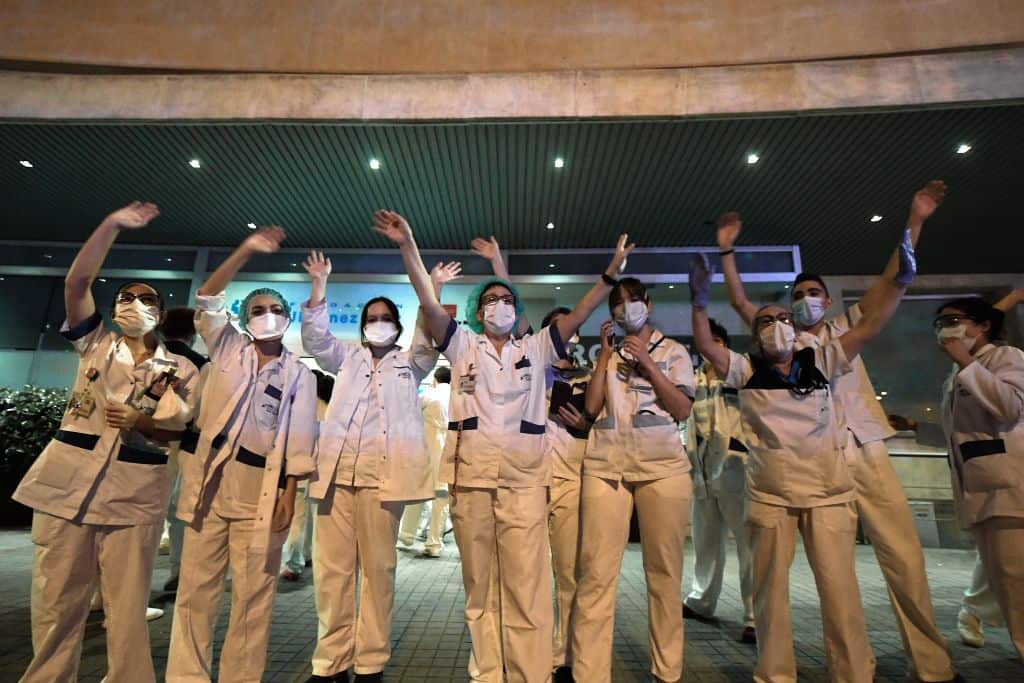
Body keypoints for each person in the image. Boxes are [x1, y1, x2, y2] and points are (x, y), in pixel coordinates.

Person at [374, 208, 633, 683]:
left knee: (527, 585)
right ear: (477, 311)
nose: (499, 305)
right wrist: (408, 246)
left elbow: (580, 313)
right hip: (470, 481)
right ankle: (488, 673)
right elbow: (428, 304)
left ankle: (530, 673)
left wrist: (609, 275)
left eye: (505, 299)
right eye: (490, 300)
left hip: (525, 484)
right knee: (479, 587)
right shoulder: (462, 345)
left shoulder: (535, 348)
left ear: (516, 310)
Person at [716, 181, 958, 683]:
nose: (804, 301)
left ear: (827, 300)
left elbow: (893, 282)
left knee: (903, 558)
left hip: (863, 449)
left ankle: (932, 665)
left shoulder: (845, 328)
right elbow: (739, 300)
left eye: (813, 294)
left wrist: (915, 220)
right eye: (797, 295)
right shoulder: (776, 342)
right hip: (807, 465)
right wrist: (727, 251)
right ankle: (825, 664)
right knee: (826, 577)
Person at [14, 202, 199, 683]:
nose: (133, 303)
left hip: (132, 494)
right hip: (65, 488)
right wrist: (112, 225)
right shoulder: (95, 343)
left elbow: (180, 430)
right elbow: (76, 283)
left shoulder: (181, 370)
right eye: (125, 296)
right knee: (57, 606)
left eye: (146, 298)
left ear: (158, 312)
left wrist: (143, 420)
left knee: (126, 610)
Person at [301, 249, 460, 683]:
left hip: (381, 481)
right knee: (333, 574)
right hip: (335, 478)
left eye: (385, 317)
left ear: (397, 323)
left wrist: (436, 288)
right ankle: (329, 662)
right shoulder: (347, 357)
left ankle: (370, 661)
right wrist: (320, 284)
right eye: (371, 317)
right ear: (362, 325)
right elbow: (315, 342)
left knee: (378, 572)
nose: (377, 323)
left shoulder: (412, 362)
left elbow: (429, 337)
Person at [167, 226, 317, 683]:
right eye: (257, 310)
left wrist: (289, 497)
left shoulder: (300, 376)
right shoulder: (227, 347)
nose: (266, 316)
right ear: (244, 318)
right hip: (209, 485)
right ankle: (187, 677)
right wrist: (247, 249)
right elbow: (208, 297)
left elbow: (298, 444)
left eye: (275, 310)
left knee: (253, 599)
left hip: (261, 492)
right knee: (195, 592)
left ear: (287, 318)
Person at [571, 278, 695, 683]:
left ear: (649, 304)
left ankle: (667, 672)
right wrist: (605, 359)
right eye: (618, 304)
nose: (627, 309)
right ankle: (590, 675)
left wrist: (649, 365)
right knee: (595, 574)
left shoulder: (674, 352)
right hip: (607, 466)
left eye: (633, 300)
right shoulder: (608, 354)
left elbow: (680, 409)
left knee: (664, 573)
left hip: (663, 468)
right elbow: (591, 408)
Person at [934, 295, 1024, 662]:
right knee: (1002, 572)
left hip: (1010, 485)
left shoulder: (1007, 358)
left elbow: (1010, 406)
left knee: (1015, 578)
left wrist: (968, 364)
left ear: (983, 325)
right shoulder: (957, 375)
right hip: (982, 488)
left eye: (954, 320)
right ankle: (975, 612)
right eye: (940, 323)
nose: (946, 329)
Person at [683, 318, 755, 644]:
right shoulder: (693, 381)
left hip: (736, 471)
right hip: (702, 475)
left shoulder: (742, 374)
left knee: (748, 545)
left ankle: (754, 615)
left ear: (723, 343)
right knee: (705, 542)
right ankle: (701, 601)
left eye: (712, 342)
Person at [540, 306, 592, 683]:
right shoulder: (527, 375)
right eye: (556, 330)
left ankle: (565, 657)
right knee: (528, 573)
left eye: (570, 330)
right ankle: (532, 650)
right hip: (528, 483)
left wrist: (587, 424)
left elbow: (606, 428)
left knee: (569, 574)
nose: (566, 336)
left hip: (572, 481)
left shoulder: (591, 377)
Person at [159, 306, 211, 593]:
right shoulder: (199, 363)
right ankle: (179, 570)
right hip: (183, 442)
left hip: (138, 439)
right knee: (179, 509)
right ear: (193, 332)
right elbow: (201, 413)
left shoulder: (147, 353)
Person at [281, 369, 334, 581]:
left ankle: (294, 564)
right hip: (325, 475)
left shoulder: (305, 410)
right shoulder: (332, 410)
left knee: (297, 520)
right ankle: (309, 556)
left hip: (302, 474)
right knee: (316, 521)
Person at [398, 365, 454, 558]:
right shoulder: (457, 398)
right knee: (441, 501)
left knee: (416, 495)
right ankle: (434, 544)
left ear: (435, 380)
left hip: (426, 453)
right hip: (448, 455)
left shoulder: (430, 395)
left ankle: (406, 536)